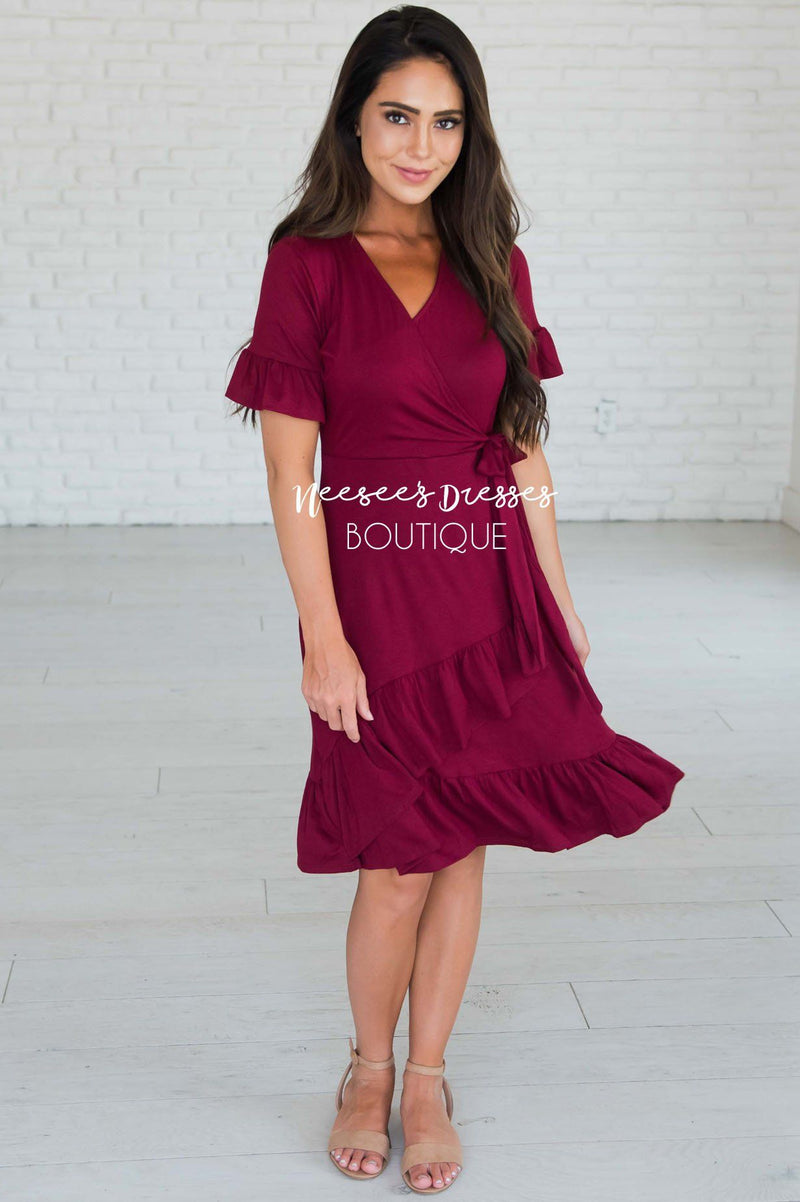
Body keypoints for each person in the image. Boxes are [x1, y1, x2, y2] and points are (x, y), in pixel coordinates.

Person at [225, 7, 685, 1194]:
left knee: (464, 839)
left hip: (486, 588)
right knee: (396, 856)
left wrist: (557, 598)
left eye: (444, 121)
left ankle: (426, 1074)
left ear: (468, 133)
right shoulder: (306, 262)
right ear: (352, 120)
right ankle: (365, 1065)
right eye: (396, 117)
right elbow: (289, 475)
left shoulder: (492, 258)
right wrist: (322, 638)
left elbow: (520, 446)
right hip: (377, 593)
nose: (419, 145)